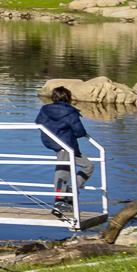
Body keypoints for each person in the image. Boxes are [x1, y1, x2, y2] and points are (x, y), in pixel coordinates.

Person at [36, 85, 94, 219]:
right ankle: (60, 201)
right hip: (66, 145)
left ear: (53, 97)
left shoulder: (45, 110)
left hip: (55, 143)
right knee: (63, 172)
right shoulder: (70, 112)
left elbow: (38, 123)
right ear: (68, 98)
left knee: (88, 166)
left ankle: (70, 192)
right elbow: (79, 131)